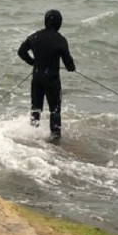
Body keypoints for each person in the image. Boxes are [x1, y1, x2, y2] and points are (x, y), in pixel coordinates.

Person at [17, 9, 75, 140]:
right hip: (52, 80)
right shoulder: (60, 40)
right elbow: (68, 62)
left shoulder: (34, 36)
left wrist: (32, 62)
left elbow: (21, 51)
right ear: (59, 23)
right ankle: (55, 138)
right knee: (54, 110)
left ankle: (32, 134)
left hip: (37, 77)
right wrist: (71, 67)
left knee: (36, 108)